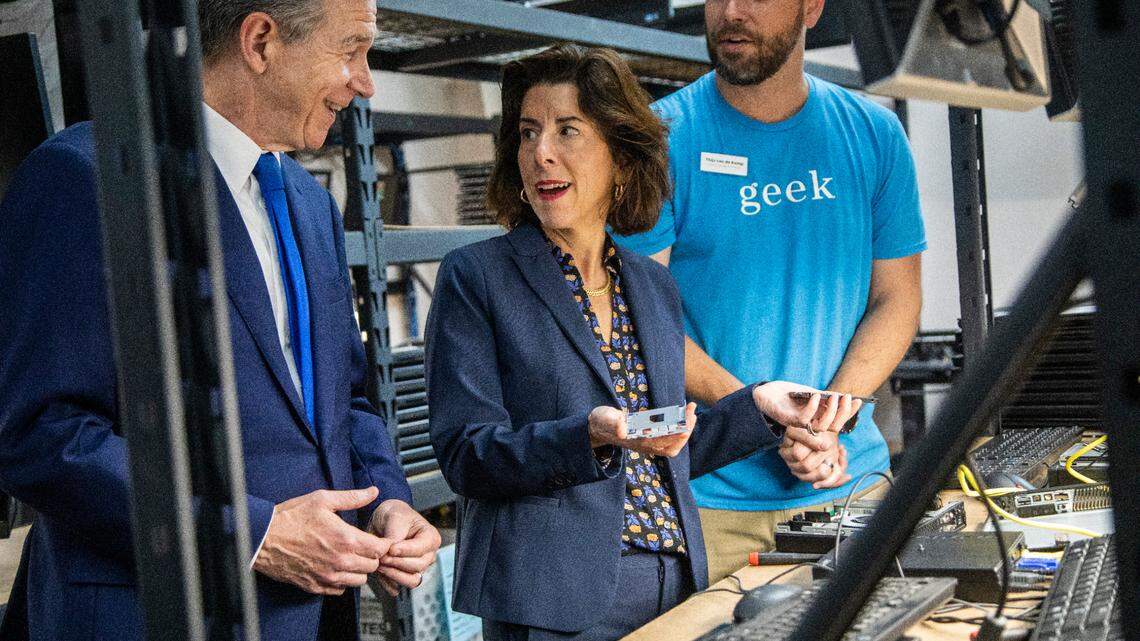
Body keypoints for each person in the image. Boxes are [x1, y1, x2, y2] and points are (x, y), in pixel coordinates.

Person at [0, 1, 441, 639]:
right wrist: (251, 534)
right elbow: (42, 434)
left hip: (315, 618)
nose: (365, 81)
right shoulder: (88, 178)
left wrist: (386, 501)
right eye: (350, 50)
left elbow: (345, 400)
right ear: (260, 42)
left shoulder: (309, 202)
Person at [424, 44, 861, 641]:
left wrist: (759, 406)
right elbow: (466, 454)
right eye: (527, 134)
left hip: (673, 578)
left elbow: (667, 448)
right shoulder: (477, 276)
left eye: (568, 131)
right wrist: (589, 436)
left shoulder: (652, 285)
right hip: (552, 598)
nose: (542, 152)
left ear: (621, 159)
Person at [615, 0, 926, 584]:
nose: (731, 12)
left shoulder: (875, 135)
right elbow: (639, 321)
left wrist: (828, 421)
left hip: (850, 488)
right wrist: (761, 417)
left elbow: (898, 300)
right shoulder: (658, 140)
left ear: (812, 7)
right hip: (708, 502)